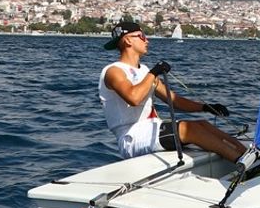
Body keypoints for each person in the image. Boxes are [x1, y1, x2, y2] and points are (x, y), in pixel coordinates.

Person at [98, 21, 246, 162]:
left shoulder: (144, 71)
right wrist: (154, 73)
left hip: (151, 129)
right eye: (142, 36)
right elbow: (133, 98)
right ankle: (242, 164)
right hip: (132, 137)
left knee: (203, 124)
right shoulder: (113, 71)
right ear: (128, 40)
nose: (147, 41)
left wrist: (206, 107)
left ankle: (248, 155)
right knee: (190, 129)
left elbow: (174, 100)